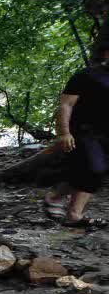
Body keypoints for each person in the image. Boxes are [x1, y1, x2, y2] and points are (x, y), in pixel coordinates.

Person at [44, 41, 109, 227]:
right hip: (84, 131)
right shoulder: (87, 75)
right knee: (94, 168)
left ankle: (70, 211)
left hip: (106, 134)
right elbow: (66, 104)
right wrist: (64, 132)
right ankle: (61, 203)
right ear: (105, 54)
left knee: (96, 172)